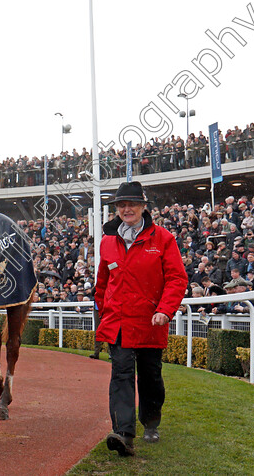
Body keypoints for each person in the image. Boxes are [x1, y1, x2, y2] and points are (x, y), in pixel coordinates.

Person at [94, 181, 187, 456]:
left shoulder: (163, 239)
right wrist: (105, 311)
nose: (126, 209)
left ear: (143, 207)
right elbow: (102, 284)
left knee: (150, 376)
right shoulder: (108, 241)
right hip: (119, 322)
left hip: (151, 321)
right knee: (121, 374)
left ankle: (151, 421)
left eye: (132, 204)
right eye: (122, 205)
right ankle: (123, 433)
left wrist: (164, 310)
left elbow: (177, 279)